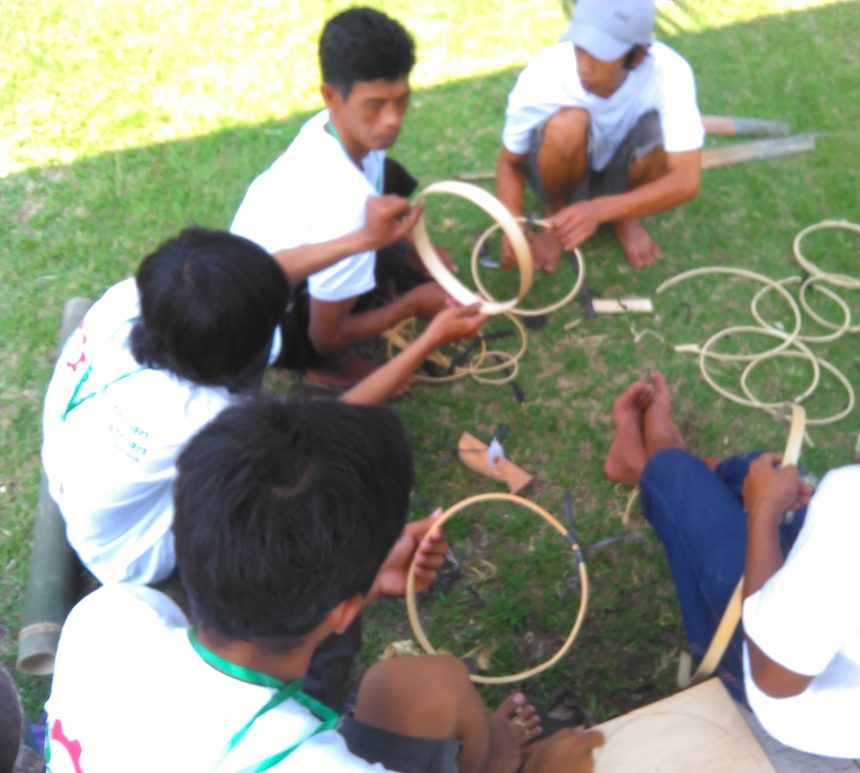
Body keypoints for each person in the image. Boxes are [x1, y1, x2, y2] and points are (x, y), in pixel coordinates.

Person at [603, 194, 860, 758]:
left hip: (822, 722)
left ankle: (654, 464)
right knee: (776, 477)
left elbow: (777, 676)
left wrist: (761, 520)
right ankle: (698, 470)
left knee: (715, 490)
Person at [44, 396, 603, 772]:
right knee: (427, 688)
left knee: (422, 685)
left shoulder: (108, 623)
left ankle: (497, 752)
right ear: (342, 611)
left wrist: (354, 587)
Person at [40, 228, 486, 585]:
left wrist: (366, 236)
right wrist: (428, 339)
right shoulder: (207, 419)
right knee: (294, 487)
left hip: (73, 469)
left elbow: (263, 277)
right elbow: (333, 418)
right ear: (237, 358)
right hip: (129, 552)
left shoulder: (133, 300)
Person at [232, 7, 456, 389]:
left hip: (258, 272)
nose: (392, 120)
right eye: (375, 104)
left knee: (391, 194)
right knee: (337, 318)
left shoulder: (329, 127)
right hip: (263, 323)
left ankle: (368, 289)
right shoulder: (345, 205)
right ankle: (327, 367)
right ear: (331, 96)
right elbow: (326, 335)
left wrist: (418, 248)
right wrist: (411, 306)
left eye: (401, 99)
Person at [495, 0, 704, 272]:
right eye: (580, 48)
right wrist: (514, 225)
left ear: (639, 55)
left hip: (622, 172)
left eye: (600, 55)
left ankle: (626, 218)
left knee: (663, 134)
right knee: (567, 125)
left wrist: (600, 210)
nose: (584, 66)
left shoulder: (670, 73)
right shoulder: (546, 73)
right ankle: (556, 216)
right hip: (563, 166)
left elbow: (686, 180)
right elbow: (509, 162)